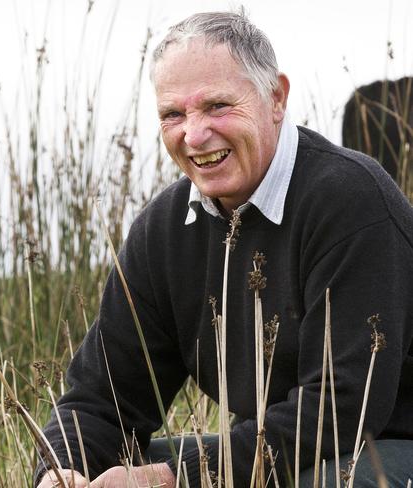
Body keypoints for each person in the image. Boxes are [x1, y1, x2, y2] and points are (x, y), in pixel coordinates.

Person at [35, 11, 413, 487]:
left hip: (383, 446)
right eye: (173, 114)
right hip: (286, 449)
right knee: (108, 464)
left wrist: (173, 478)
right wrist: (59, 471)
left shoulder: (352, 202)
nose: (193, 135)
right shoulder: (163, 230)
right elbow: (99, 398)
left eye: (217, 106)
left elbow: (341, 412)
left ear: (275, 98)